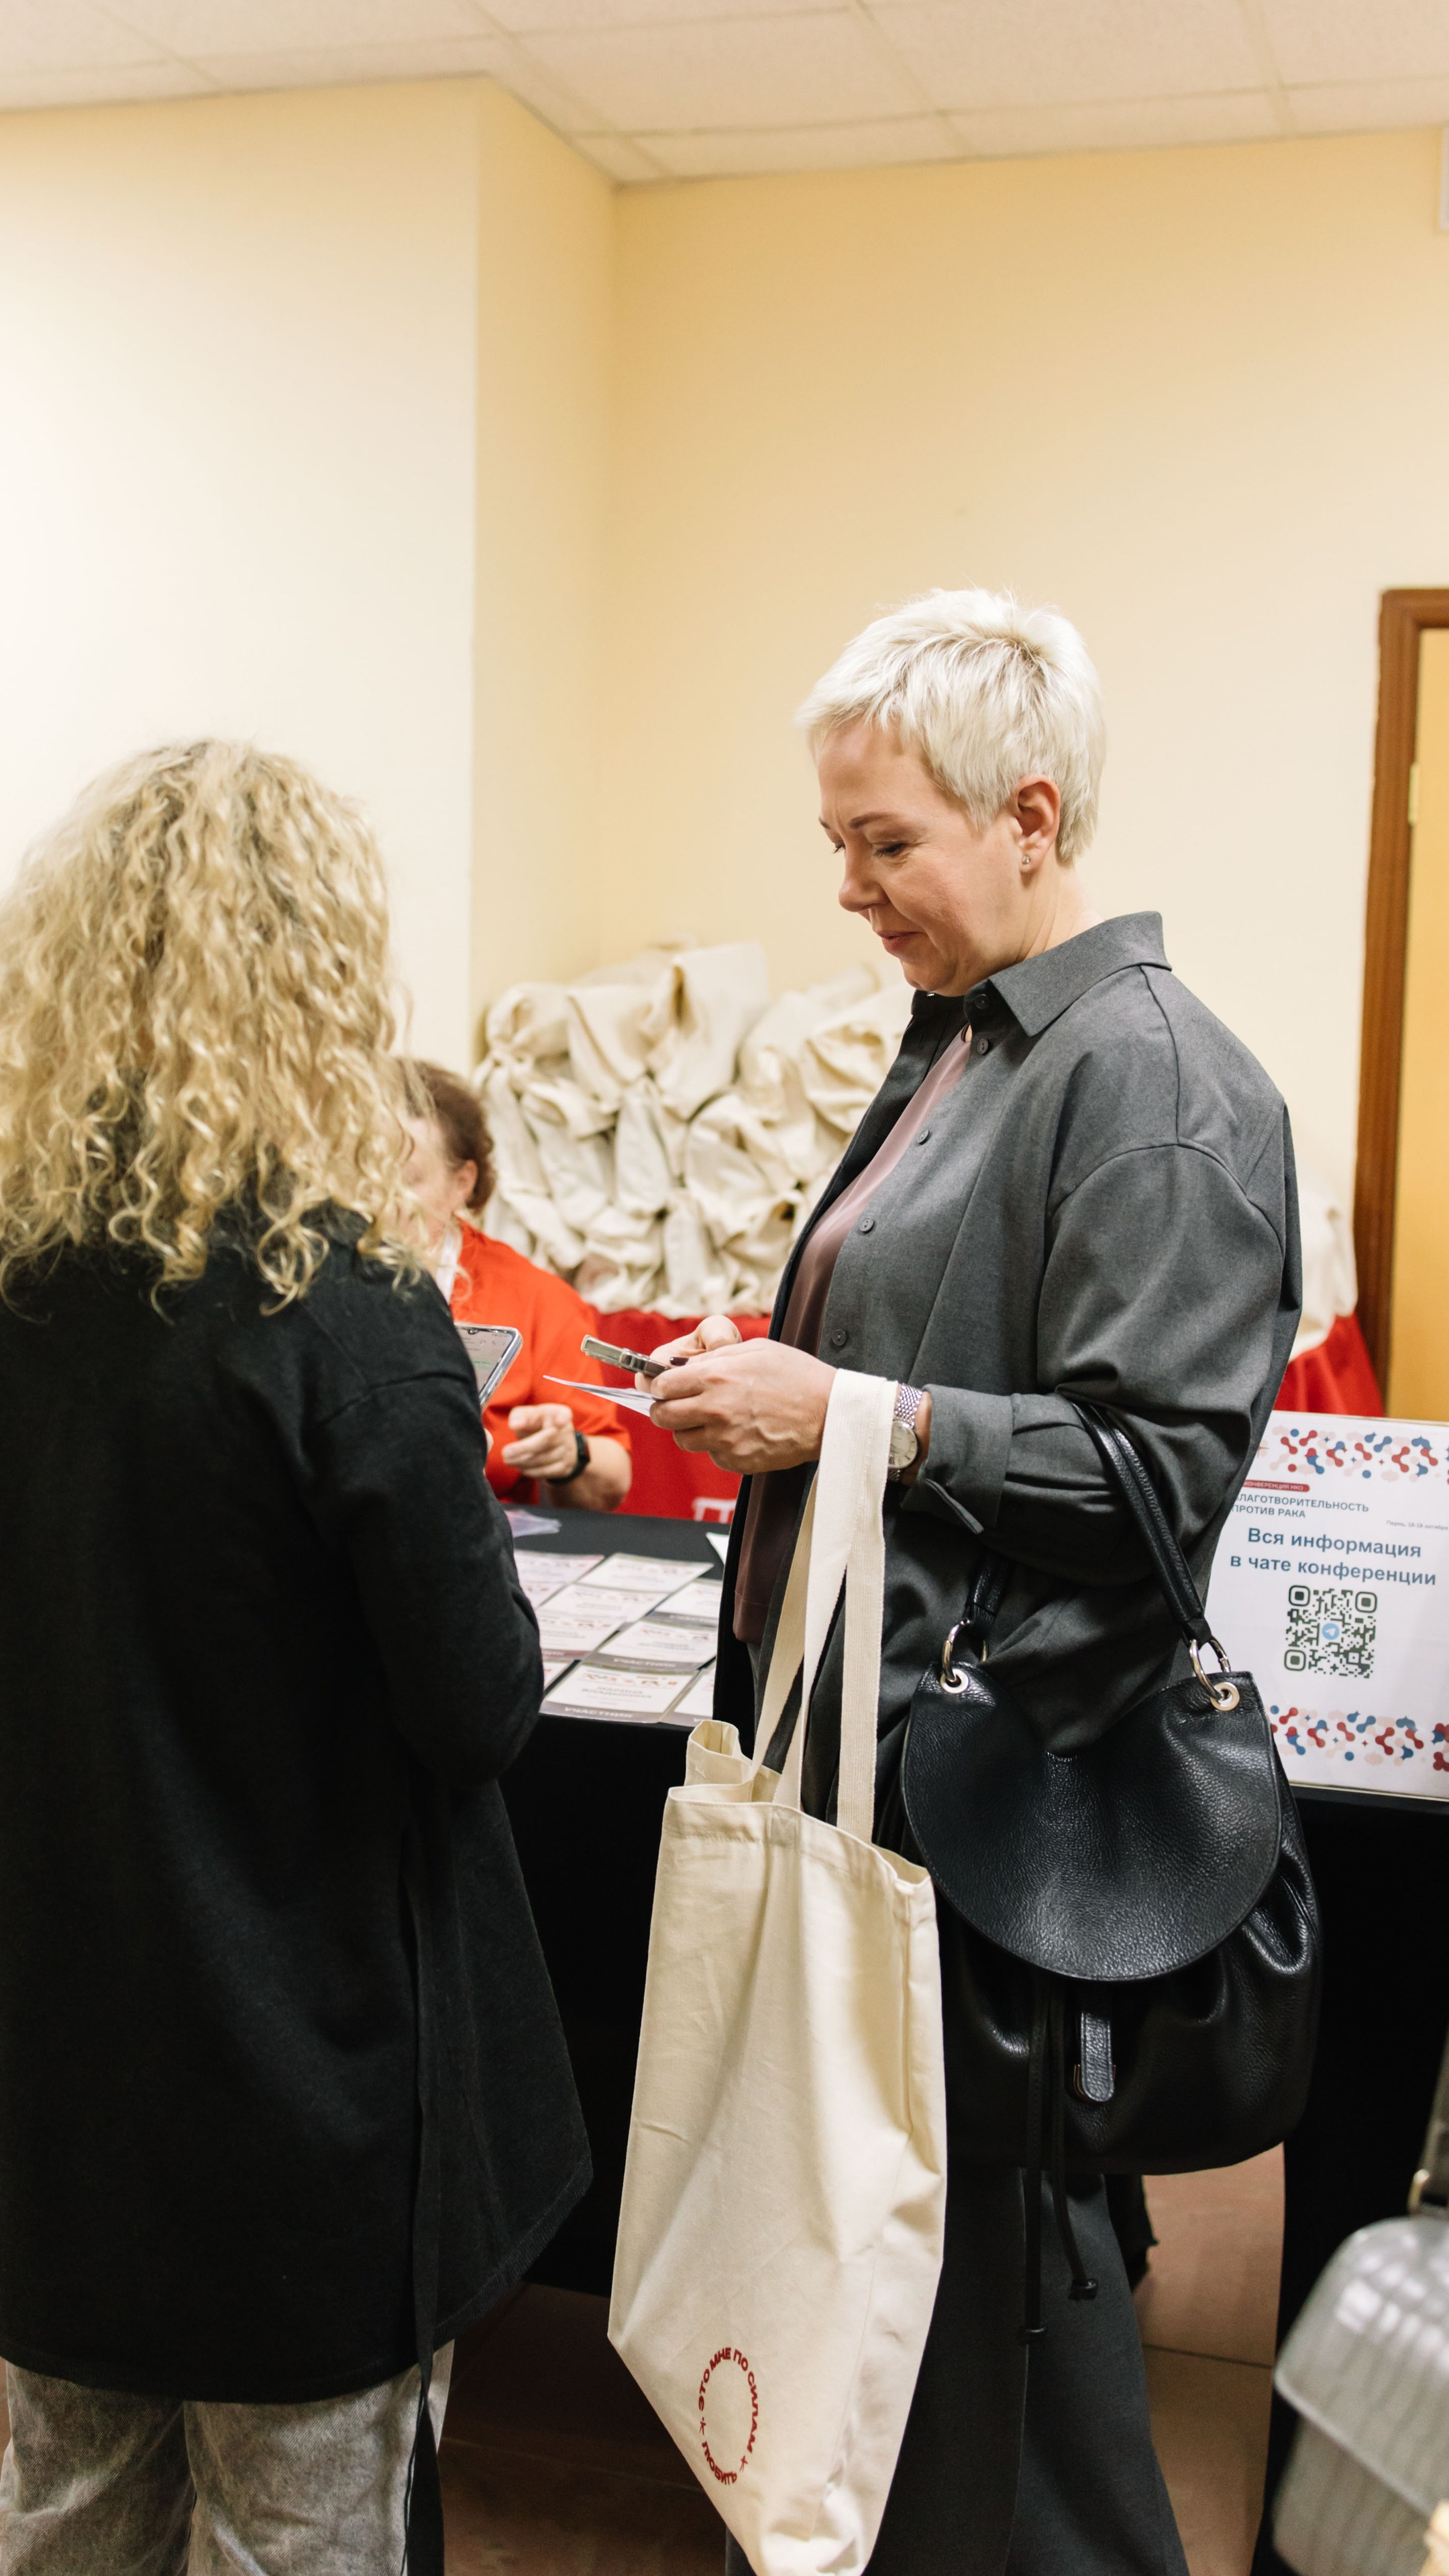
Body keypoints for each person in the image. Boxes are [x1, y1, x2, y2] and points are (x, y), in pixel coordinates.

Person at [0, 743, 588, 2574]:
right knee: (302, 2535)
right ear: (324, 990)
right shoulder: (355, 1318)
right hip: (299, 2094)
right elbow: (474, 1705)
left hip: (43, 2074)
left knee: (76, 2510)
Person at [648, 590, 1301, 2576]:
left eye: (884, 841)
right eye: (834, 841)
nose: (844, 885)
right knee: (933, 2354)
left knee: (1015, 2370)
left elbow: (1151, 1476)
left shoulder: (1157, 1087)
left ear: (1030, 815)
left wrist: (852, 1409)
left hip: (997, 1829)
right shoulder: (963, 1045)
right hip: (885, 1799)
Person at [404, 1060, 632, 1512]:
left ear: (461, 1184)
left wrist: (569, 1455)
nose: (373, 1200)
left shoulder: (534, 1300)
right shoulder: (299, 1281)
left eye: (406, 1181)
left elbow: (612, 1479)